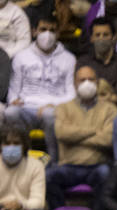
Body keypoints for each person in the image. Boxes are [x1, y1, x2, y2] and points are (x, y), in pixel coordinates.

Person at [7, 16, 77, 157]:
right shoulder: (21, 56)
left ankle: (54, 160)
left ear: (58, 34)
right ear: (34, 32)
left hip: (53, 107)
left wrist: (53, 104)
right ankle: (21, 156)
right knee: (10, 112)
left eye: (52, 30)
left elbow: (71, 93)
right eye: (43, 29)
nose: (47, 35)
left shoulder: (69, 59)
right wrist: (13, 99)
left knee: (49, 114)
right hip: (27, 106)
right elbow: (14, 88)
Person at [48, 65, 116, 207]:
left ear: (97, 83)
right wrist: (95, 130)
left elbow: (108, 139)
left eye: (91, 79)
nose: (87, 83)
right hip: (68, 166)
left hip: (97, 166)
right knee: (48, 177)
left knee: (106, 175)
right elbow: (62, 134)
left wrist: (75, 138)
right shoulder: (63, 107)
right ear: (74, 84)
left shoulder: (110, 109)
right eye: (82, 80)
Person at [0, 127, 46, 210]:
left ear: (24, 146)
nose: (11, 147)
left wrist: (20, 205)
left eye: (16, 144)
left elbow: (38, 202)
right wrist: (4, 205)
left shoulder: (36, 165)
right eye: (7, 144)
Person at [80, 17, 117, 107]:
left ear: (114, 37)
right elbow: (81, 93)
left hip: (116, 111)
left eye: (105, 35)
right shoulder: (83, 62)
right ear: (91, 38)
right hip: (88, 111)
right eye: (97, 35)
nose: (101, 38)